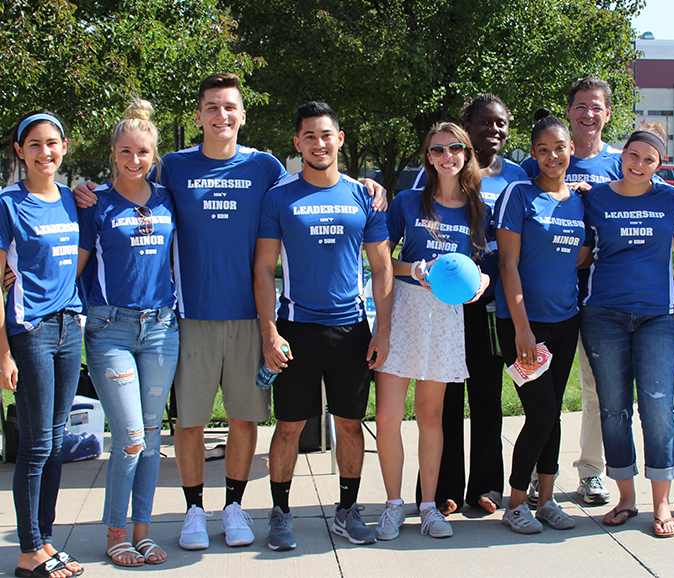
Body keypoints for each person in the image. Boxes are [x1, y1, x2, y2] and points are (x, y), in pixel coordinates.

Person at [74, 74, 387, 551]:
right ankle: (195, 510)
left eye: (230, 108)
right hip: (188, 315)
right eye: (212, 107)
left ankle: (235, 506)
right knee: (191, 422)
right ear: (199, 116)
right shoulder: (173, 167)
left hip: (250, 318)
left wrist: (364, 183)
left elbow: (316, 183)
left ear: (243, 116)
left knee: (245, 418)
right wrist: (85, 189)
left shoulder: (264, 168)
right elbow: (128, 182)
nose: (222, 115)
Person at [254, 101, 393, 550]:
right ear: (298, 143)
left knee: (351, 425)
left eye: (326, 134)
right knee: (290, 426)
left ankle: (347, 510)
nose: (319, 143)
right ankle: (280, 513)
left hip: (351, 330)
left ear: (340, 139)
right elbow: (262, 269)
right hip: (295, 330)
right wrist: (269, 332)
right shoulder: (279, 196)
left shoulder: (363, 195)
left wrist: (383, 329)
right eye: (309, 136)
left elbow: (383, 266)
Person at [412, 94, 527, 516]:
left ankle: (486, 485)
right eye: (484, 123)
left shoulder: (517, 175)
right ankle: (443, 485)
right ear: (466, 127)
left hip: (487, 304)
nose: (493, 131)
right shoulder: (441, 174)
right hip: (439, 305)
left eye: (500, 124)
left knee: (486, 395)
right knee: (444, 398)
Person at [375, 122, 490, 540]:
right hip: (403, 307)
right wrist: (415, 268)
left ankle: (427, 506)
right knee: (387, 417)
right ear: (428, 156)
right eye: (437, 150)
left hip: (445, 316)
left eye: (455, 149)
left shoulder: (478, 208)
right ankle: (392, 505)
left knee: (431, 415)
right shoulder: (407, 201)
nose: (447, 156)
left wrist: (481, 284)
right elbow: (382, 259)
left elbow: (485, 267)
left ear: (465, 154)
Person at [77, 100, 178, 567]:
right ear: (113, 153)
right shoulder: (93, 202)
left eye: (142, 152)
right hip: (110, 328)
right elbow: (70, 262)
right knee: (132, 437)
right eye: (125, 151)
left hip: (160, 327)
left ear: (153, 155)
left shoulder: (165, 197)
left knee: (153, 437)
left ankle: (142, 532)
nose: (133, 160)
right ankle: (115, 531)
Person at [580, 123, 674, 538]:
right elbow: (581, 248)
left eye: (649, 159)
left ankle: (661, 503)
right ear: (621, 156)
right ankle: (626, 497)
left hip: (660, 315)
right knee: (613, 407)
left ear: (659, 165)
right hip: (604, 313)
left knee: (658, 407)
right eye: (633, 155)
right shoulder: (597, 198)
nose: (639, 164)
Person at [521, 77, 621, 507]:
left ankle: (591, 473)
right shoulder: (540, 162)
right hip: (548, 299)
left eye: (596, 106)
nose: (588, 114)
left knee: (596, 387)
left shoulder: (621, 165)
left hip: (601, 297)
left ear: (607, 114)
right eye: (580, 106)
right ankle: (527, 475)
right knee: (542, 391)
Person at [494, 110, 586, 535]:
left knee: (554, 417)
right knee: (541, 412)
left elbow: (581, 255)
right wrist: (522, 328)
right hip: (525, 326)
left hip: (566, 321)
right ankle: (516, 503)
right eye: (543, 150)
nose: (553, 156)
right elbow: (508, 265)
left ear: (572, 150)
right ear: (533, 154)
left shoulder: (581, 199)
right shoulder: (519, 194)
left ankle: (546, 501)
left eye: (560, 148)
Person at [2, 112, 84, 578]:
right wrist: (2, 355)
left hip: (68, 327)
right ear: (20, 150)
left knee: (55, 442)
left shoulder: (74, 199)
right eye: (34, 144)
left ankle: (45, 541)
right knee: (35, 445)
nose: (44, 152)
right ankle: (28, 551)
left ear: (64, 147)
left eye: (52, 143)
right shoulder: (8, 203)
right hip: (28, 331)